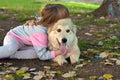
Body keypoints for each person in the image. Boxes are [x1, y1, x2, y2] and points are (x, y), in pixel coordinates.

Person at [0, 4, 70, 60]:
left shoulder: (48, 25)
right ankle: (9, 54)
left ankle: (11, 55)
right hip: (14, 37)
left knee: (37, 52)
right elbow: (42, 56)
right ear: (52, 21)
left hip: (26, 43)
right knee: (11, 48)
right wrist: (60, 52)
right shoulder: (40, 33)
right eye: (63, 20)